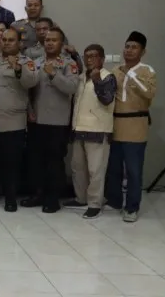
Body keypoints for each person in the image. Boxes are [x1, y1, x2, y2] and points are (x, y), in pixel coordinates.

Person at [0, 28, 38, 212]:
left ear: (19, 43)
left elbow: (31, 83)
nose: (6, 43)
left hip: (13, 121)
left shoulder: (26, 62)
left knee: (12, 163)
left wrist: (18, 68)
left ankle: (10, 198)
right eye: (4, 39)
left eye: (11, 40)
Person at [23, 27, 79, 213]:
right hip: (36, 119)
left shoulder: (68, 64)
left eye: (54, 40)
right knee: (35, 160)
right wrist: (30, 110)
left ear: (61, 44)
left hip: (58, 122)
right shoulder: (36, 62)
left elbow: (71, 87)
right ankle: (37, 194)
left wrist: (54, 74)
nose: (49, 43)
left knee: (54, 162)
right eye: (47, 40)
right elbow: (29, 91)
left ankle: (53, 198)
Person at [106, 31, 156, 222]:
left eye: (134, 47)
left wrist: (131, 75)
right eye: (127, 46)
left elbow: (149, 93)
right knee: (115, 168)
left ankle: (132, 208)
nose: (129, 50)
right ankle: (115, 202)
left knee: (134, 171)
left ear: (142, 51)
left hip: (136, 126)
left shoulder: (147, 71)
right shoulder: (115, 71)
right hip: (116, 125)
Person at [64, 44, 116, 219]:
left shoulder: (107, 77)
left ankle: (95, 203)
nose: (90, 59)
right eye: (87, 56)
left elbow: (107, 99)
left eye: (94, 56)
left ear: (102, 59)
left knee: (96, 170)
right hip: (78, 128)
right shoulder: (80, 77)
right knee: (78, 168)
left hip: (98, 129)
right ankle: (81, 198)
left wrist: (96, 81)